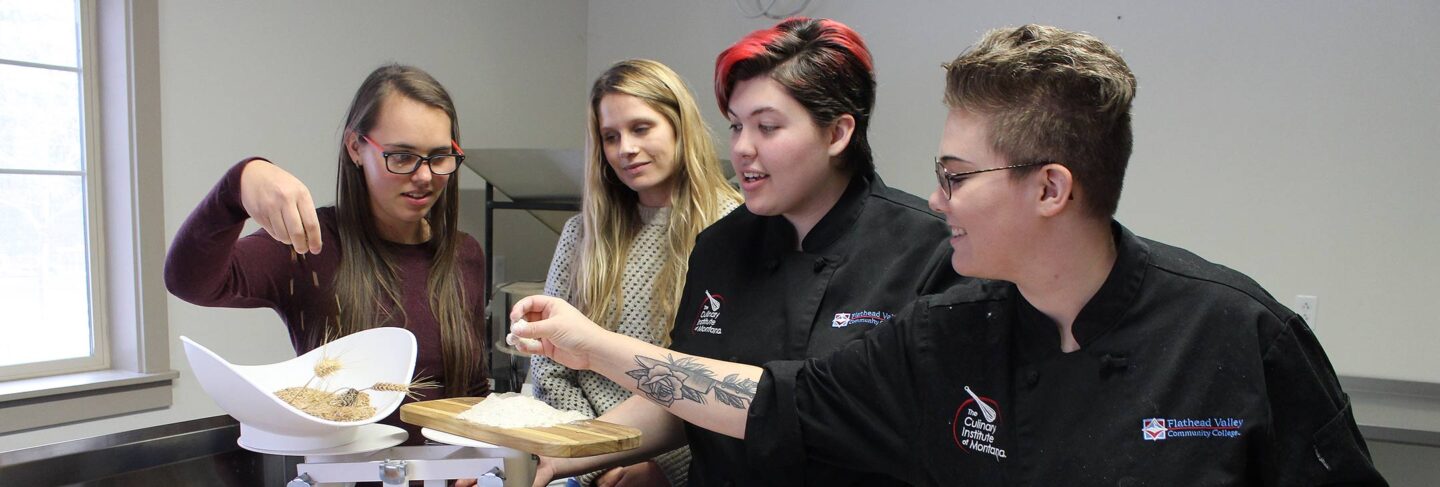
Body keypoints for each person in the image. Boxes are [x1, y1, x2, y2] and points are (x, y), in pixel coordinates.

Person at [507, 24, 1387, 486]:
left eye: (958, 175)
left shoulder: (1239, 333)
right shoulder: (947, 332)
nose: (937, 201)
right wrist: (591, 356)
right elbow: (774, 400)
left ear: (1050, 188)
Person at [529, 17, 962, 487]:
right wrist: (566, 454)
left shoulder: (928, 250)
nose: (741, 149)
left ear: (837, 133)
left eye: (767, 127)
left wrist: (593, 346)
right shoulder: (720, 245)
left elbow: (808, 409)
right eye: (736, 126)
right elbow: (680, 395)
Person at [165, 64, 488, 444]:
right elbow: (190, 282)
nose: (424, 176)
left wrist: (484, 453)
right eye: (401, 157)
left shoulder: (463, 254)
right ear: (356, 148)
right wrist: (237, 186)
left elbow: (472, 389)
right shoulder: (310, 246)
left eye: (439, 157)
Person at [528, 58, 742, 487]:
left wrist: (664, 468)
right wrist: (589, 460)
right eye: (611, 136)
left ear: (680, 126)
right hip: (577, 460)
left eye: (641, 128)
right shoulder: (582, 235)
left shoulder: (735, 228)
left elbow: (729, 378)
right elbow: (547, 366)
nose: (625, 148)